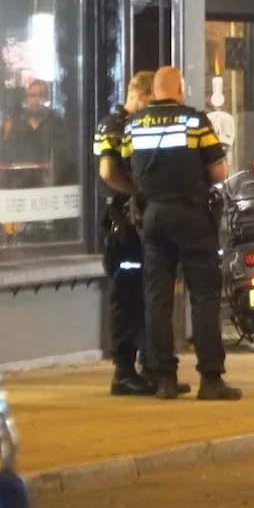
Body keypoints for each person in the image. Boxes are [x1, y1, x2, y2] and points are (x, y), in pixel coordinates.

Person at [104, 67, 240, 401]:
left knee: (157, 297)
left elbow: (123, 167)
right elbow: (219, 171)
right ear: (179, 89)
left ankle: (163, 377)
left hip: (151, 216)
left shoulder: (133, 125)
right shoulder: (195, 122)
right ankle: (211, 379)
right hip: (192, 215)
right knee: (204, 296)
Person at [94, 70, 155, 396]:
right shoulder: (114, 125)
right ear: (142, 96)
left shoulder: (135, 125)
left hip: (140, 222)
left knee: (146, 296)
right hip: (123, 224)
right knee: (127, 297)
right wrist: (136, 194)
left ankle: (148, 367)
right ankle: (123, 372)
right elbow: (108, 172)